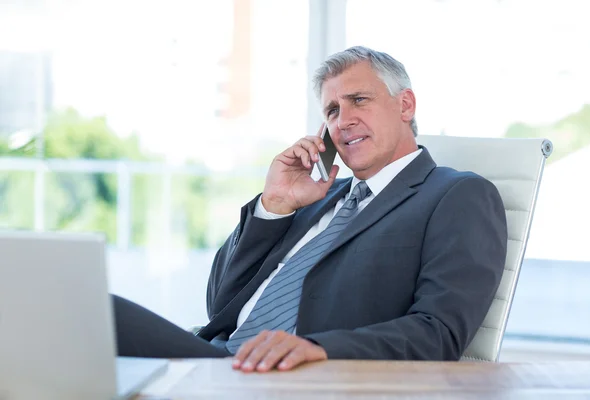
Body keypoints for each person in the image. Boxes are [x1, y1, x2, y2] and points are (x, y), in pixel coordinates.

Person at [113, 46, 507, 373]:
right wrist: (274, 207)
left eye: (359, 100)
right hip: (219, 362)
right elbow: (220, 307)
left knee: (101, 316)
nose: (344, 120)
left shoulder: (456, 195)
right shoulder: (313, 198)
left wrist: (319, 348)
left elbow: (439, 332)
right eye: (331, 110)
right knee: (91, 315)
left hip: (301, 376)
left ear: (405, 105)